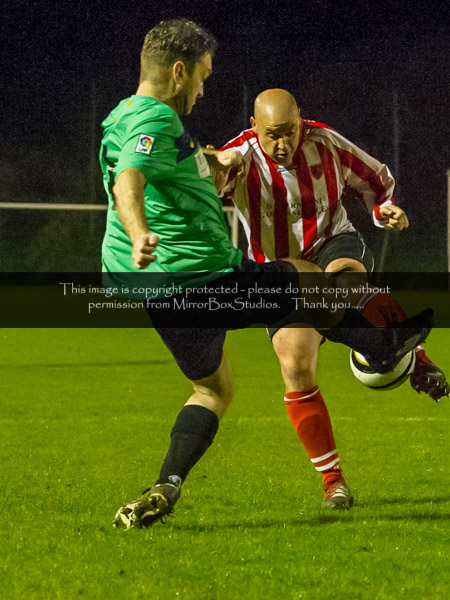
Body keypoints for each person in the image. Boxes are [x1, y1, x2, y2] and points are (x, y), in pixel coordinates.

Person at [99, 20, 432, 530]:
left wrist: (204, 163)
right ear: (179, 71)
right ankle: (383, 348)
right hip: (203, 276)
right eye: (202, 76)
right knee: (304, 287)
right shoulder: (158, 118)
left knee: (213, 390)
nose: (203, 89)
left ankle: (166, 485)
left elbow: (159, 165)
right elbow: (131, 177)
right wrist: (139, 228)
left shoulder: (119, 116)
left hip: (159, 293)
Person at [219, 88, 449, 508]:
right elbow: (196, 194)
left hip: (331, 245)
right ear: (254, 127)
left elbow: (375, 179)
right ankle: (333, 481)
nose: (283, 144)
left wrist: (383, 210)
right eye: (272, 135)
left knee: (346, 284)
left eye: (290, 131)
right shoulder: (236, 158)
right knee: (296, 365)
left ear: (301, 120)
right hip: (281, 271)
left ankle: (409, 352)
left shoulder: (325, 143)